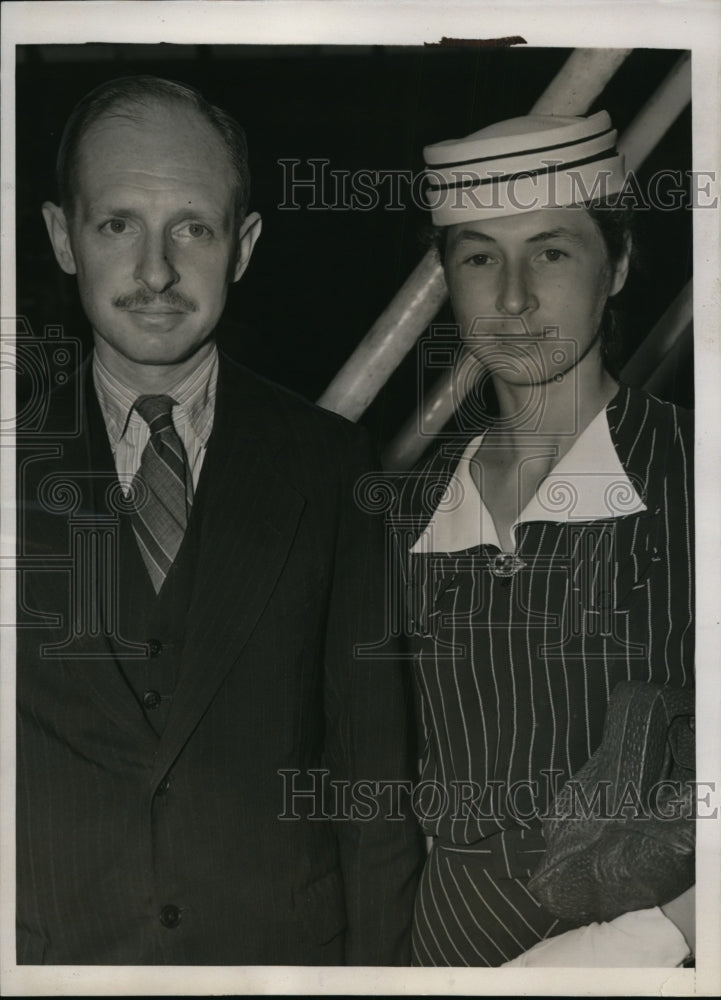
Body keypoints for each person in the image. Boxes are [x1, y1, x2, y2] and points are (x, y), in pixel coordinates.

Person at [16, 75, 422, 966]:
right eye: (117, 224)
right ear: (61, 237)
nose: (155, 271)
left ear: (243, 247)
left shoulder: (330, 465)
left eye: (191, 228)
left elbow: (373, 788)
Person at [399, 111, 694, 966]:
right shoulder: (404, 510)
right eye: (480, 256)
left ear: (620, 265)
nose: (514, 295)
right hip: (443, 953)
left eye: (552, 251)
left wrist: (648, 940)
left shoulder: (692, 474)